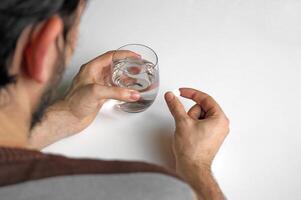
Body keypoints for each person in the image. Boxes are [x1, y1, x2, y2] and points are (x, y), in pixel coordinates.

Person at [0, 1, 229, 200]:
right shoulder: (150, 190)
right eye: (75, 32)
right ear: (43, 48)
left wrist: (64, 118)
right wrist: (195, 164)